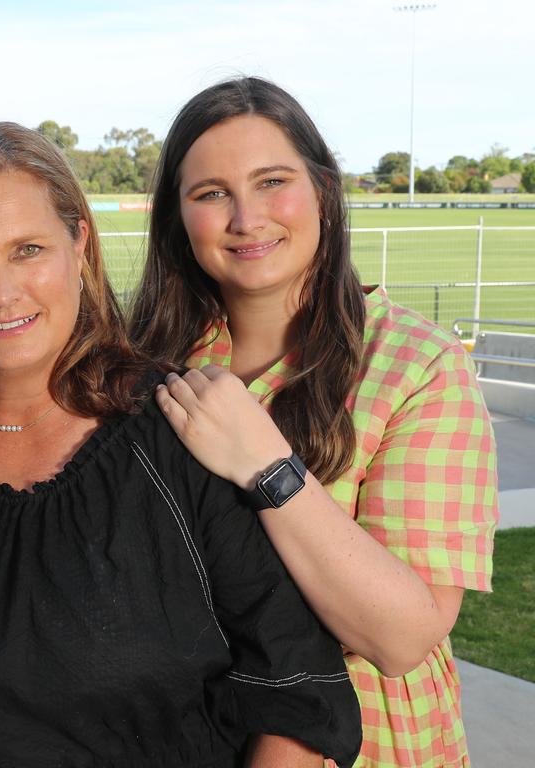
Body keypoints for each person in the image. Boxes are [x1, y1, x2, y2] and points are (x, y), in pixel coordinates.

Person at [0, 121, 362, 767]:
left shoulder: (185, 431)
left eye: (27, 250)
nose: (1, 292)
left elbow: (294, 692)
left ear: (79, 244)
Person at [129, 77, 498, 768]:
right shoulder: (147, 367)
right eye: (211, 193)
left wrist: (268, 468)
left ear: (323, 190)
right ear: (178, 216)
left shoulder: (416, 365)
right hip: (191, 737)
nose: (247, 217)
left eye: (272, 181)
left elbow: (401, 638)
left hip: (373, 748)